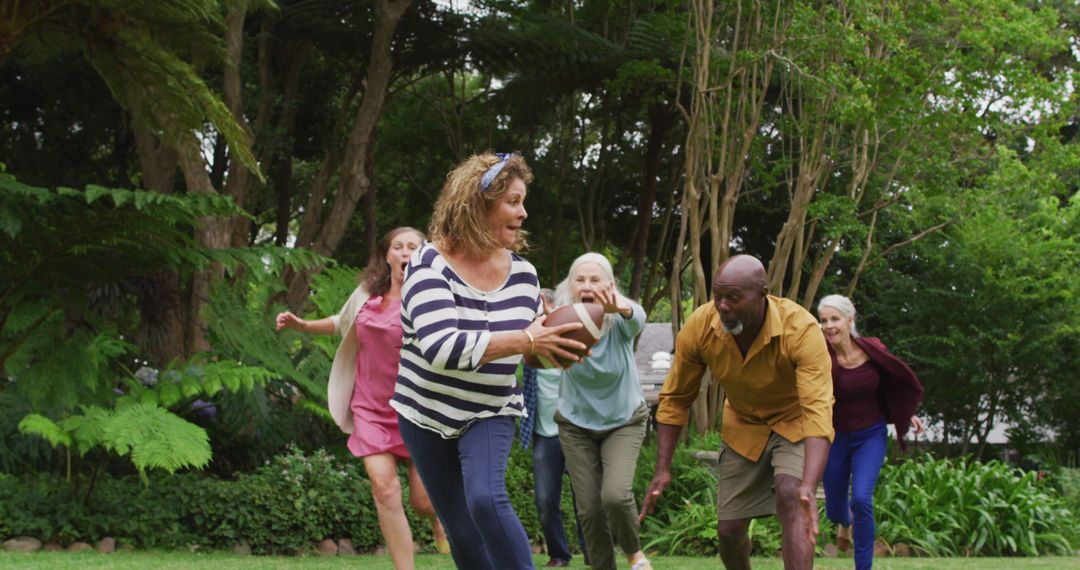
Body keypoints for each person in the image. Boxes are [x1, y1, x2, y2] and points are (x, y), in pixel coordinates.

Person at [390, 152, 588, 570]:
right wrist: (526, 338)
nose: (523, 212)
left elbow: (532, 348)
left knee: (485, 497)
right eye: (513, 202)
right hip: (424, 411)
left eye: (522, 201)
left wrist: (555, 349)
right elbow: (441, 348)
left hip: (490, 406)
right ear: (478, 205)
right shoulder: (428, 266)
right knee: (460, 530)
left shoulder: (524, 275)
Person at [640, 255, 834, 570]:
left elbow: (818, 411)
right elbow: (676, 398)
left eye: (734, 297)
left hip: (794, 421)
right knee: (728, 531)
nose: (723, 306)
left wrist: (809, 487)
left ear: (763, 293)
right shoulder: (701, 326)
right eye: (718, 297)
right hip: (743, 424)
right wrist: (662, 469)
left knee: (791, 493)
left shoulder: (800, 328)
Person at [275, 226, 448, 570]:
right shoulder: (368, 293)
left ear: (424, 256)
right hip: (371, 408)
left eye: (413, 246)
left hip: (418, 409)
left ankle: (437, 518)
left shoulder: (432, 296)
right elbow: (342, 321)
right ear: (387, 256)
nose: (405, 252)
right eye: (397, 246)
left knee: (424, 502)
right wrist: (303, 326)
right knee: (383, 489)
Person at [553, 252, 653, 570]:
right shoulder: (559, 319)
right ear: (570, 286)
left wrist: (620, 307)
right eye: (580, 279)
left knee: (615, 495)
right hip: (575, 423)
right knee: (589, 509)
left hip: (624, 419)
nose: (587, 285)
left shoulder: (619, 320)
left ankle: (634, 552)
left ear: (609, 285)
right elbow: (536, 353)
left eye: (594, 279)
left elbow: (638, 317)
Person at [817, 294, 924, 568]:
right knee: (835, 510)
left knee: (862, 499)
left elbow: (891, 383)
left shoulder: (872, 349)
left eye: (834, 319)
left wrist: (906, 413)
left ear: (849, 320)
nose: (828, 326)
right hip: (836, 438)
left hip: (870, 435)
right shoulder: (821, 357)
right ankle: (845, 523)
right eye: (823, 320)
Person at [518, 288, 587, 568]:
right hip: (545, 435)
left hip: (577, 431)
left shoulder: (573, 342)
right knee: (546, 500)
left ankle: (592, 552)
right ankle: (559, 555)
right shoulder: (527, 349)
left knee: (586, 499)